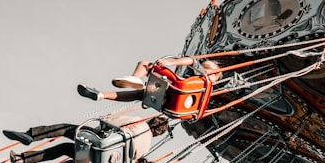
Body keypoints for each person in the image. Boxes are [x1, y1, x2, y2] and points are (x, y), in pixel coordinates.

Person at [7, 115, 169, 163]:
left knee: (65, 129)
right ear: (158, 134)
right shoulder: (145, 148)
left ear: (150, 121)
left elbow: (110, 124)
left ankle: (29, 140)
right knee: (68, 157)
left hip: (96, 144)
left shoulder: (138, 121)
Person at [77, 57, 222, 102]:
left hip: (172, 88)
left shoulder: (202, 75)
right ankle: (102, 95)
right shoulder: (206, 90)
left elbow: (191, 60)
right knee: (140, 95)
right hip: (170, 101)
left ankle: (135, 78)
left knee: (145, 64)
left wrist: (170, 63)